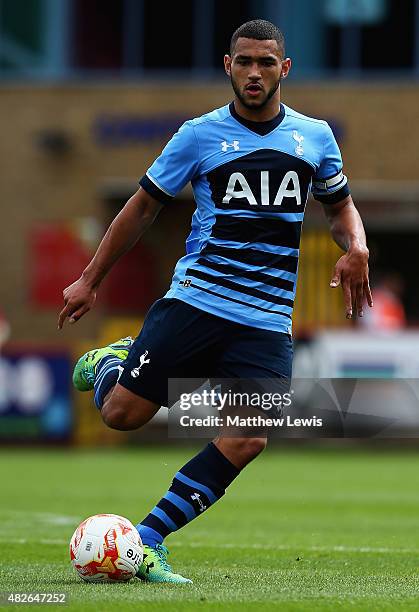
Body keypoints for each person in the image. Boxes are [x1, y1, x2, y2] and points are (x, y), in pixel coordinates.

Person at [58, 19, 372, 583]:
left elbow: (340, 207)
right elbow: (141, 208)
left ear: (285, 68)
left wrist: (358, 246)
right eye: (245, 62)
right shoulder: (198, 135)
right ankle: (111, 362)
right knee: (121, 417)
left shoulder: (315, 137)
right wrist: (90, 278)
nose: (255, 73)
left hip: (268, 321)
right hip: (197, 303)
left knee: (248, 435)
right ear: (228, 66)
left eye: (266, 63)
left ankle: (147, 541)